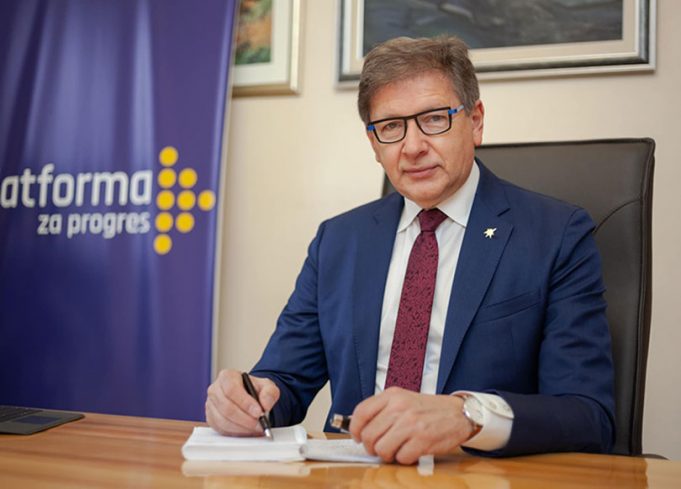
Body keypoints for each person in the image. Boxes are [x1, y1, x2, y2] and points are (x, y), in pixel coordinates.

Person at [206, 36, 615, 464]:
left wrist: (468, 415)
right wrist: (248, 401)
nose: (413, 146)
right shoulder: (339, 241)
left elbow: (589, 416)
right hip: (354, 475)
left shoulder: (556, 235)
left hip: (477, 476)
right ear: (373, 143)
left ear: (475, 121)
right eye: (390, 127)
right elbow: (284, 382)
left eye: (434, 119)